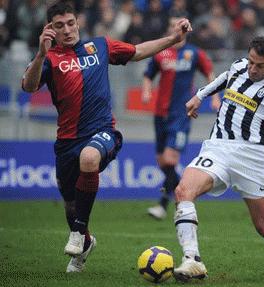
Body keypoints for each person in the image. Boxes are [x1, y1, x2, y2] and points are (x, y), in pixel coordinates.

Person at [21, 2, 191, 273]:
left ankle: (77, 234)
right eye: (59, 25)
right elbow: (29, 86)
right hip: (67, 141)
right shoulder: (50, 59)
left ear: (78, 22)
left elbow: (137, 52)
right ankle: (84, 242)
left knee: (89, 158)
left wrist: (173, 39)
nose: (67, 30)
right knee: (70, 205)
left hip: (103, 132)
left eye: (70, 23)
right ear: (49, 29)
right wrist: (40, 55)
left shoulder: (99, 46)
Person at [171, 36, 264, 282]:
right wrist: (200, 96)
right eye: (251, 62)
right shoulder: (239, 67)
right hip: (218, 148)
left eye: (259, 66)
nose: (252, 69)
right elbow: (224, 79)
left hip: (252, 157)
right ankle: (193, 260)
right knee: (183, 191)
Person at [142, 15, 220, 220]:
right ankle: (183, 192)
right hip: (160, 114)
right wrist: (146, 90)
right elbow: (148, 74)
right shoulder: (160, 54)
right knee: (162, 162)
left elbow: (211, 75)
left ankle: (163, 203)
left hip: (181, 114)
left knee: (170, 158)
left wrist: (215, 98)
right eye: (172, 26)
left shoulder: (194, 54)